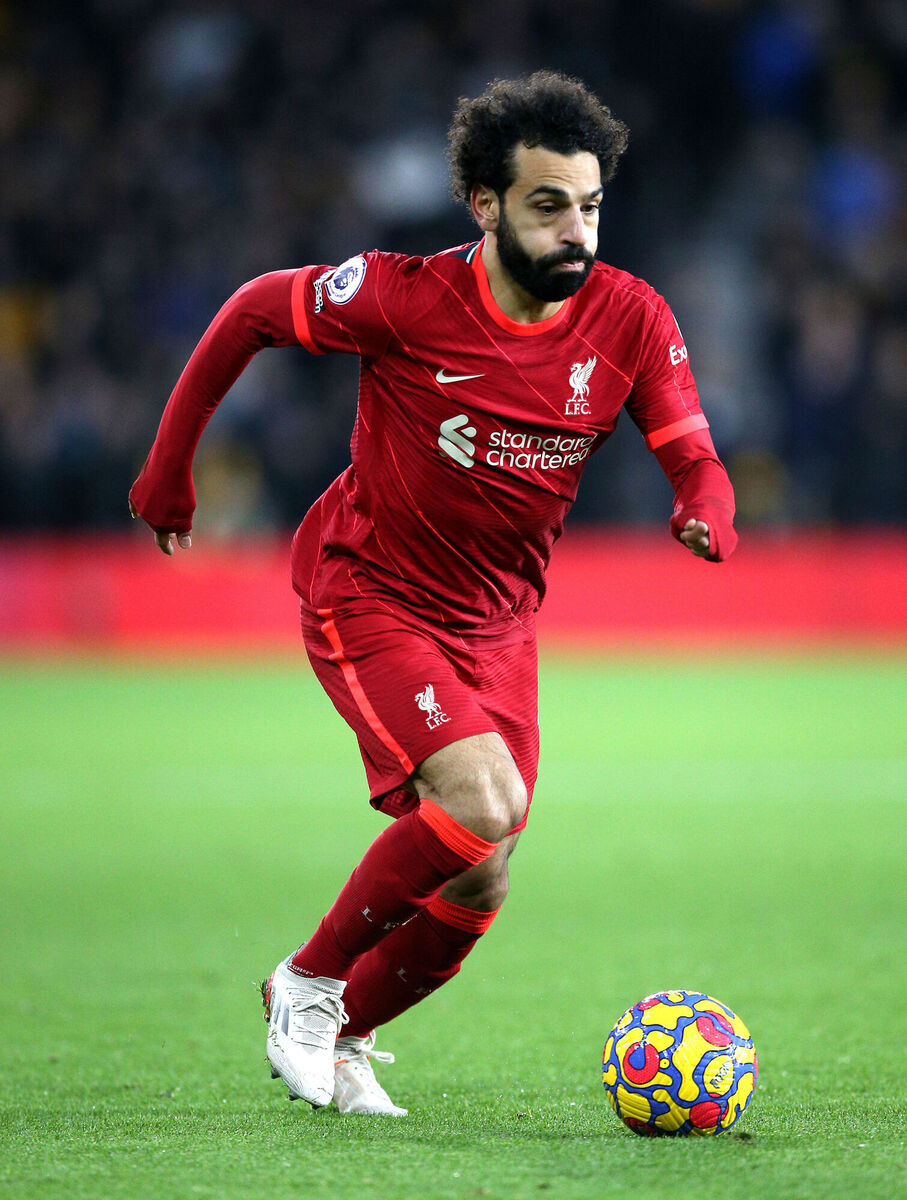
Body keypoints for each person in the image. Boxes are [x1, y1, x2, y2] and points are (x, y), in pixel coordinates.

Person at [129, 71, 737, 1118]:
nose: (575, 232)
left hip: (498, 621)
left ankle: (346, 1034)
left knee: (481, 872)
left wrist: (705, 504)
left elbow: (693, 454)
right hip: (369, 590)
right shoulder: (403, 296)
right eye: (548, 206)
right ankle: (307, 983)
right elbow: (251, 312)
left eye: (589, 206)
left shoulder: (629, 318)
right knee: (484, 802)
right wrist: (170, 467)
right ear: (484, 204)